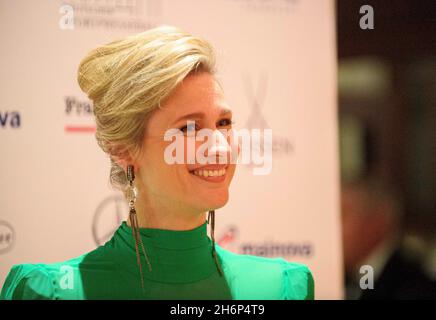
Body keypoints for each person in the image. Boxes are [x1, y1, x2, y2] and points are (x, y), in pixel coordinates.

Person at [0, 25, 314, 300]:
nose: (219, 147)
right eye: (189, 128)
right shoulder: (49, 291)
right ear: (123, 149)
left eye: (224, 123)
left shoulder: (282, 287)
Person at [342, 179, 436, 300]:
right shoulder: (345, 278)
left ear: (375, 223)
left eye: (343, 216)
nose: (331, 229)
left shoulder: (416, 288)